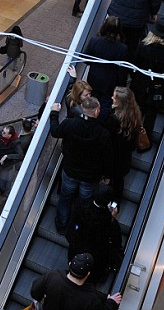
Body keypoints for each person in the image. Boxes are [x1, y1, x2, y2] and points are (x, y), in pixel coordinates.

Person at [49, 95, 113, 233]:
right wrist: (107, 175)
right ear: (96, 112)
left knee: (65, 198)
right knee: (85, 203)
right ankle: (78, 227)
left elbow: (55, 132)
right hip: (90, 176)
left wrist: (54, 113)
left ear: (82, 109)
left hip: (70, 170)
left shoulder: (70, 124)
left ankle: (61, 225)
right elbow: (107, 158)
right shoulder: (103, 134)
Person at [65, 189, 124, 282]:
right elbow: (116, 240)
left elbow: (72, 226)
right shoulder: (107, 220)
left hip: (78, 247)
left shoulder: (81, 206)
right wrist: (112, 218)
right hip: (97, 252)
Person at [32, 252, 122, 308]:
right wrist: (111, 302)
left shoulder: (52, 276)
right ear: (88, 274)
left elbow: (34, 292)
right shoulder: (90, 300)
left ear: (70, 264)